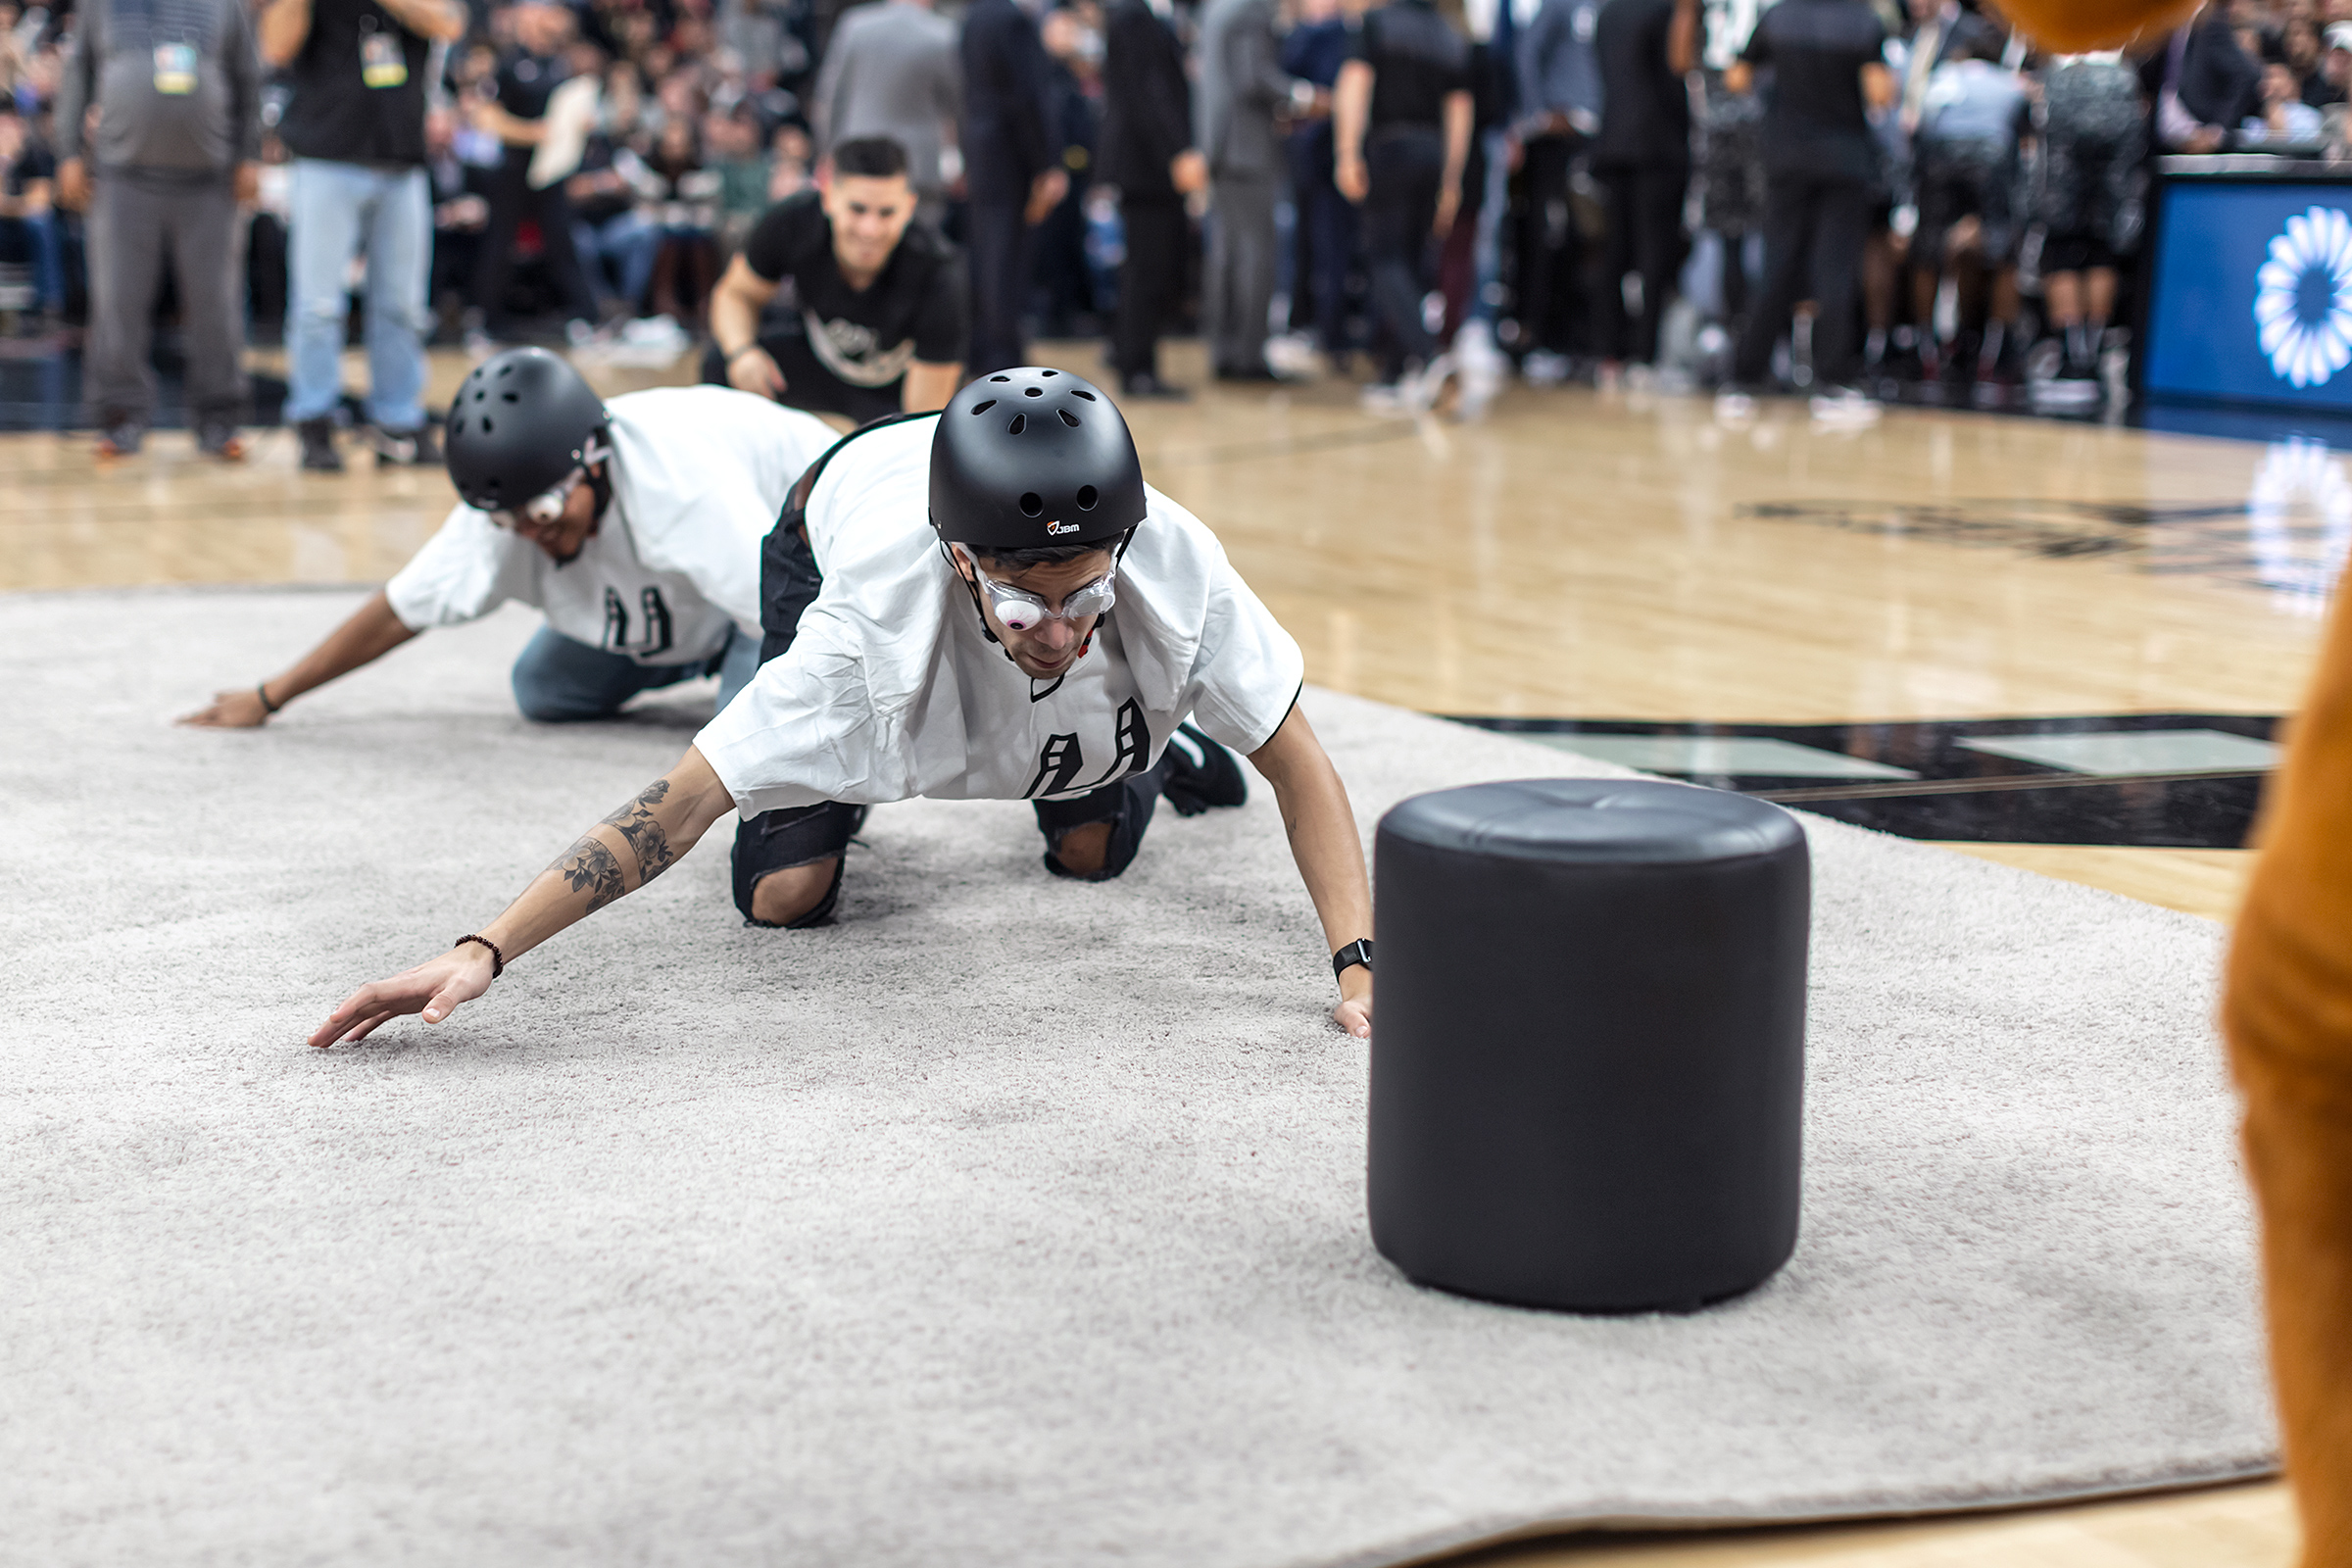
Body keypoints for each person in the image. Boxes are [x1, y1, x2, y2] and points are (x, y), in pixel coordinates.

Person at [309, 367, 1378, 1050]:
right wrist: (483, 948)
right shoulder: (862, 632)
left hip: (1046, 605)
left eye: (1087, 596)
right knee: (785, 893)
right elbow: (678, 806)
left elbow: (1300, 761)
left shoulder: (1181, 572)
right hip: (827, 514)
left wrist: (1360, 965)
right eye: (1023, 603)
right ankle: (849, 779)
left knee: (1093, 854)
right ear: (961, 562)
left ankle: (1152, 736)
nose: (1059, 632)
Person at [179, 350, 838, 731]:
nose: (531, 533)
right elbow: (400, 609)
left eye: (544, 512)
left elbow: (802, 623)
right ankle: (700, 648)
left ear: (595, 459)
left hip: (792, 568)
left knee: (744, 745)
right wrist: (271, 696)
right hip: (704, 592)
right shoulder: (512, 509)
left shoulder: (685, 495)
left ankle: (726, 647)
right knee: (541, 688)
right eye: (510, 520)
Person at [261, 0, 466, 472]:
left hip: (401, 160)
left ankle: (398, 420)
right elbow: (275, 46)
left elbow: (448, 21)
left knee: (402, 306)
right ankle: (313, 418)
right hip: (325, 158)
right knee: (317, 306)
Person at [54, 0, 263, 461]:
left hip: (210, 182)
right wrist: (68, 152)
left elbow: (248, 79)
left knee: (216, 306)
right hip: (123, 178)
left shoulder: (226, 5)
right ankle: (119, 417)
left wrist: (250, 154)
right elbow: (78, 73)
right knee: (118, 304)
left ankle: (219, 418)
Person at [704, 134, 967, 420]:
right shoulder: (793, 223)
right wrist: (742, 353)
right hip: (819, 363)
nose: (870, 229)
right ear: (828, 198)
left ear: (909, 208)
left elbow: (924, 416)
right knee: (720, 364)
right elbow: (736, 293)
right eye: (857, 209)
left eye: (886, 213)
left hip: (892, 390)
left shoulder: (939, 273)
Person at [1718, 0, 1896, 416]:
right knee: (1834, 270)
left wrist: (1776, 93)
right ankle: (1832, 381)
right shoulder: (1863, 21)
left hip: (1787, 156)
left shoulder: (1778, 16)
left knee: (1776, 264)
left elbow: (1736, 78)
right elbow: (1880, 95)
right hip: (1844, 158)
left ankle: (1745, 378)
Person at [1333, 0, 1474, 411]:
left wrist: (1346, 152)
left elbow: (1355, 82)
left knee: (1384, 259)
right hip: (1432, 155)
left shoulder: (1377, 23)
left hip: (1391, 149)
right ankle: (1396, 372)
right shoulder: (1449, 35)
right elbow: (1459, 111)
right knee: (1410, 265)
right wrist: (1451, 181)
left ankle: (1430, 358)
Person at [468, 0, 602, 348]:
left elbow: (565, 113)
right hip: (513, 170)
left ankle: (586, 317)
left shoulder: (559, 64)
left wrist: (579, 125)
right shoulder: (508, 63)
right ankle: (486, 321)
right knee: (500, 242)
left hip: (551, 170)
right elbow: (487, 117)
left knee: (563, 241)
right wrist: (531, 133)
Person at [1908, 27, 2028, 391]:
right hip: (1992, 157)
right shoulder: (2010, 83)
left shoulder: (1944, 76)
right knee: (2003, 251)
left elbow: (1917, 126)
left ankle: (1926, 349)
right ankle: (1994, 353)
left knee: (1928, 251)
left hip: (1940, 156)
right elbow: (2023, 137)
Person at [1101, 0, 1206, 398]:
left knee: (1147, 265)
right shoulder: (1134, 15)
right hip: (1146, 165)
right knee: (1147, 268)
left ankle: (1126, 351)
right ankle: (1137, 368)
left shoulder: (1144, 15)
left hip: (1148, 164)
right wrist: (1177, 151)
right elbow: (1148, 91)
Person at [2027, 48, 2143, 408]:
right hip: (2117, 114)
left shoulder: (2061, 54)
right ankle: (2092, 357)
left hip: (2065, 118)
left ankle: (2070, 356)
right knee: (2102, 245)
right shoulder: (2121, 65)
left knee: (2062, 244)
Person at [1196, 0, 1305, 381]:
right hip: (1247, 148)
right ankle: (1248, 356)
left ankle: (1225, 350)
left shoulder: (1217, 9)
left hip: (1220, 144)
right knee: (1257, 252)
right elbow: (1254, 77)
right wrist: (1303, 96)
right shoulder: (1252, 10)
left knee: (1226, 253)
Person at [959, 0, 1065, 375]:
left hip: (980, 147)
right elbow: (1027, 95)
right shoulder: (1012, 19)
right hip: (1010, 152)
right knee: (1005, 258)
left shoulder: (975, 16)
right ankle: (1002, 356)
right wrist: (1046, 162)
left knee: (986, 252)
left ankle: (980, 350)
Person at [1591, 0, 1693, 376]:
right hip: (1657, 146)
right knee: (1654, 252)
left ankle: (1608, 349)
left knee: (1615, 251)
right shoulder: (1665, 11)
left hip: (1613, 141)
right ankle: (1644, 352)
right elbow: (1676, 70)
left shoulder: (1607, 14)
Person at [1514, 0, 1604, 380]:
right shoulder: (1559, 6)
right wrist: (1538, 113)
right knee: (1549, 236)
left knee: (1588, 240)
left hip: (1599, 141)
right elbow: (1527, 52)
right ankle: (1537, 336)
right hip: (1558, 138)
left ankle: (1577, 339)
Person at [811, 0, 963, 221]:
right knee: (920, 237)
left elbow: (830, 97)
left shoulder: (855, 25)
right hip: (917, 167)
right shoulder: (944, 34)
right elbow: (959, 106)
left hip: (855, 156)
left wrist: (826, 151)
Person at [1282, 0, 1358, 368]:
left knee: (1324, 247)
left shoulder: (1323, 35)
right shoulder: (1328, 35)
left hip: (1325, 156)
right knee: (1324, 246)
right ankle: (1323, 328)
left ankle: (1324, 329)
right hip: (1323, 156)